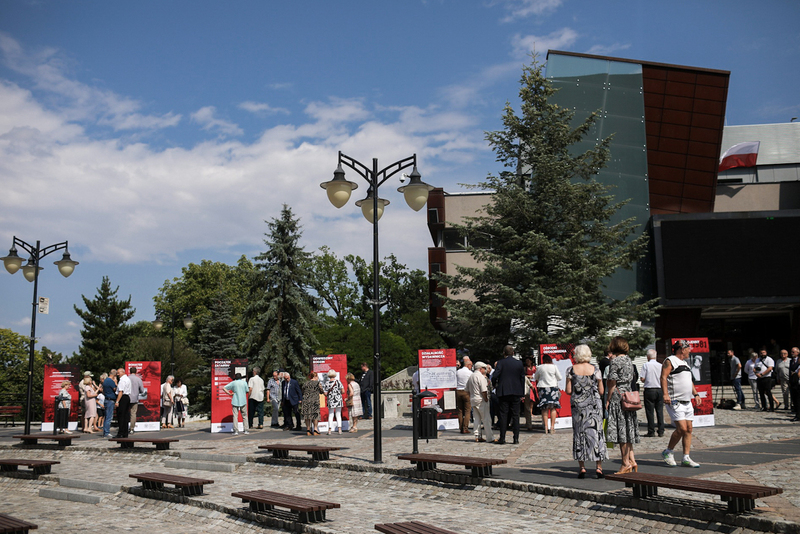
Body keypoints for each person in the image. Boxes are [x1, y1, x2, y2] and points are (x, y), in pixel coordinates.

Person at [565, 344, 607, 479]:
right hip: (594, 406)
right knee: (596, 433)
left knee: (579, 434)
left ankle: (582, 467)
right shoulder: (596, 370)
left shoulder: (571, 370)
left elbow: (568, 391)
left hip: (578, 406)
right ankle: (598, 467)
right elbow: (601, 391)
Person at [661, 339, 702, 468]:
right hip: (675, 400)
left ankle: (686, 457)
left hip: (687, 401)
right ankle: (668, 451)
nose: (690, 351)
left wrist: (695, 394)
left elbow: (689, 381)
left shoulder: (685, 363)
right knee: (682, 428)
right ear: (682, 349)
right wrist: (665, 394)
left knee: (689, 429)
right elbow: (663, 377)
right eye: (688, 348)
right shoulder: (670, 360)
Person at [605, 336, 639, 474]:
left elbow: (612, 382)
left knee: (621, 432)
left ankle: (625, 463)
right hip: (629, 396)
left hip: (618, 397)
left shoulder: (615, 361)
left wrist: (608, 399)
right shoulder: (629, 360)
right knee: (628, 429)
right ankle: (632, 460)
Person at [492, 345, 525, 445]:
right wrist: (522, 392)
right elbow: (522, 378)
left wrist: (495, 385)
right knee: (516, 415)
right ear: (513, 353)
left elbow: (495, 376)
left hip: (504, 391)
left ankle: (502, 438)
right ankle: (516, 438)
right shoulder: (519, 363)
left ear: (504, 353)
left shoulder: (501, 363)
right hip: (516, 391)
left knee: (503, 415)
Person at [535, 355, 563, 434]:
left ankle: (546, 427)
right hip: (552, 388)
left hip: (543, 388)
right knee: (553, 408)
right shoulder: (554, 367)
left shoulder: (539, 367)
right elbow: (559, 377)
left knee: (544, 408)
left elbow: (536, 377)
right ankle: (552, 427)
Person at [466, 362, 493, 443]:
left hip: (473, 399)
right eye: (484, 368)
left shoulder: (471, 376)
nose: (485, 370)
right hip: (481, 399)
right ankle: (489, 437)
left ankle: (477, 436)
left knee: (476, 418)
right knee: (486, 418)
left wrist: (472, 396)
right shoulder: (480, 377)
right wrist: (486, 399)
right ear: (480, 368)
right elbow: (484, 390)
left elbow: (466, 389)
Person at [641, 349, 664, 437]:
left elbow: (642, 378)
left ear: (648, 357)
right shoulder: (660, 365)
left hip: (649, 389)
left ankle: (651, 430)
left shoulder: (646, 365)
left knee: (650, 411)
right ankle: (661, 430)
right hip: (659, 389)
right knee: (659, 410)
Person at [322, 370, 344, 435]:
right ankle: (339, 429)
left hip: (331, 400)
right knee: (338, 414)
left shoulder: (327, 383)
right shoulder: (338, 382)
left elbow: (325, 393)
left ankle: (329, 430)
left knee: (331, 415)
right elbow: (343, 391)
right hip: (338, 399)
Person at [455, 356, 473, 434]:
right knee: (467, 410)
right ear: (468, 365)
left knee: (460, 410)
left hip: (458, 391)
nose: (471, 367)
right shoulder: (470, 373)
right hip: (466, 391)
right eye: (471, 365)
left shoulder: (458, 372)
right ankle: (465, 428)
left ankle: (460, 427)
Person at [302, 371, 321, 435]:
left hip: (306, 401)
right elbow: (321, 391)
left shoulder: (306, 383)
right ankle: (315, 429)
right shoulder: (317, 383)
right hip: (314, 401)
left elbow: (302, 390)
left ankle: (308, 430)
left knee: (307, 415)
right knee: (315, 415)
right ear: (315, 376)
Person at [115, 367, 132, 438]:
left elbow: (120, 391)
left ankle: (121, 432)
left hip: (123, 398)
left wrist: (117, 401)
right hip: (127, 397)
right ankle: (125, 432)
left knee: (121, 415)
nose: (117, 374)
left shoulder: (122, 380)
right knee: (125, 416)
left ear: (123, 372)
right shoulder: (127, 379)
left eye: (119, 372)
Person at [128, 366, 145, 434]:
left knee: (126, 413)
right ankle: (132, 428)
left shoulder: (127, 378)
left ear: (130, 371)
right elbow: (142, 390)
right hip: (135, 398)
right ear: (136, 372)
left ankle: (124, 427)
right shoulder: (138, 379)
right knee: (133, 413)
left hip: (127, 398)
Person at [522, 357, 537, 431]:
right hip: (528, 383)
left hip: (532, 383)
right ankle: (528, 422)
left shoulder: (535, 367)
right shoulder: (525, 369)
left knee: (532, 399)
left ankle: (531, 413)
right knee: (528, 400)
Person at [101, 369, 117, 438]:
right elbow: (115, 389)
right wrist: (116, 383)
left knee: (106, 416)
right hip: (111, 400)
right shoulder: (111, 381)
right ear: (114, 375)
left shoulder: (105, 381)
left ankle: (105, 431)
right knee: (109, 417)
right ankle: (107, 432)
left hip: (106, 399)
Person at [789, 347, 800, 422]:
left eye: (794, 352)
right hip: (792, 382)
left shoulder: (799, 361)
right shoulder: (791, 361)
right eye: (792, 352)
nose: (792, 353)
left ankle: (798, 415)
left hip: (798, 382)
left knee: (798, 399)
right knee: (794, 399)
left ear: (797, 353)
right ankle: (797, 413)